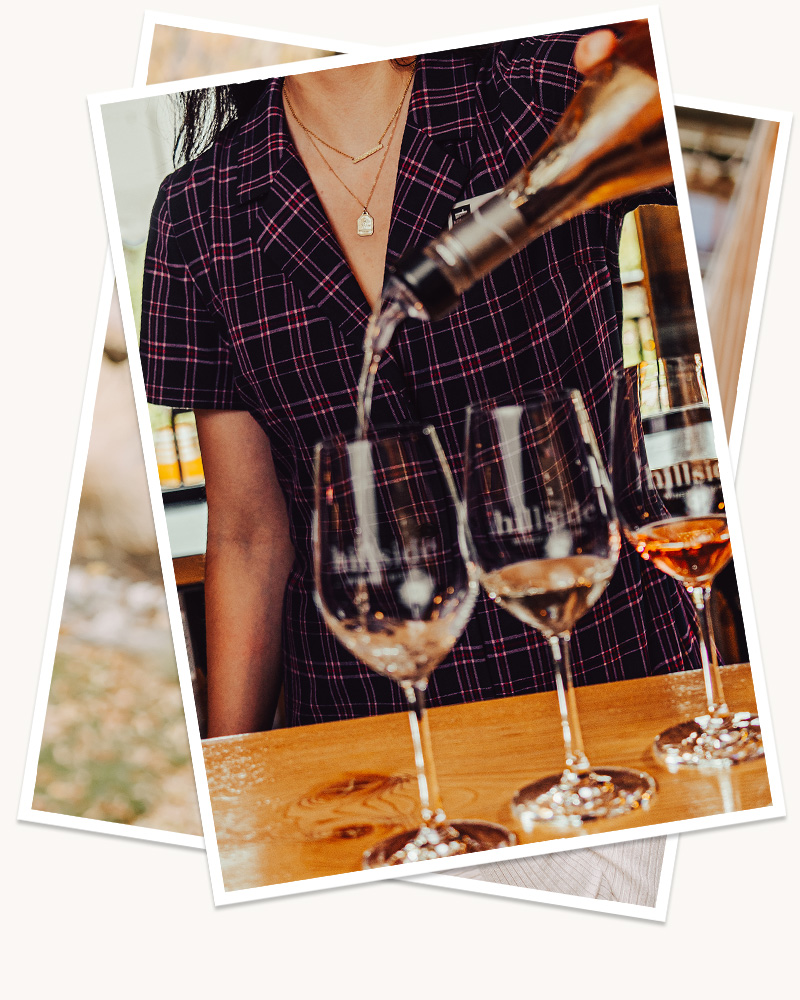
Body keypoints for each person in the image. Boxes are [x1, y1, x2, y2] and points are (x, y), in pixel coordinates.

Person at [140, 27, 700, 737]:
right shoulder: (199, 213)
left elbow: (741, 146)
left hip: (612, 675)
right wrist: (229, 780)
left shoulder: (541, 89)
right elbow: (249, 535)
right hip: (368, 725)